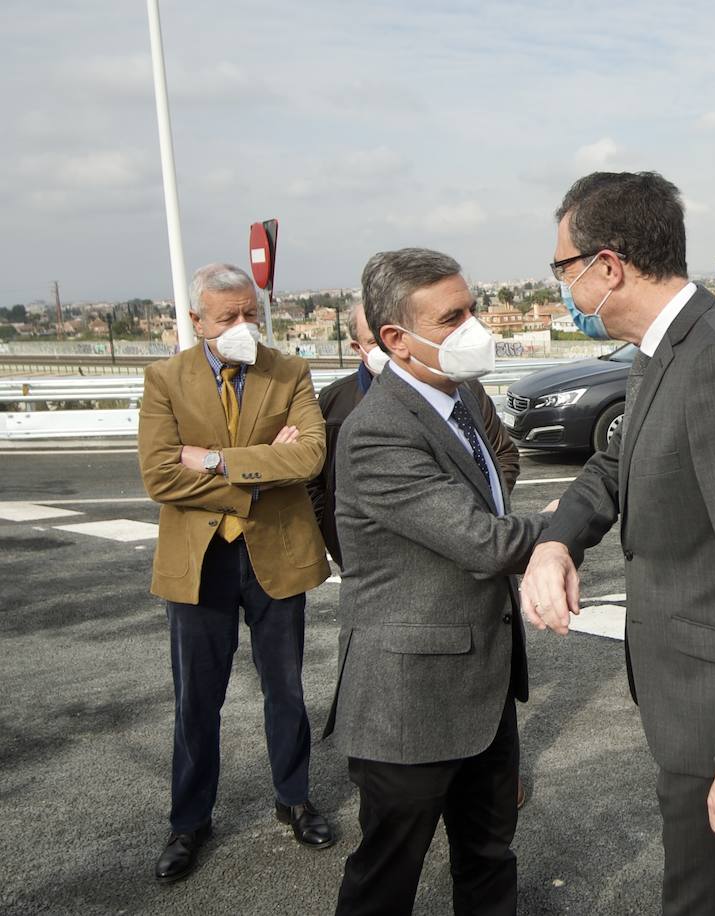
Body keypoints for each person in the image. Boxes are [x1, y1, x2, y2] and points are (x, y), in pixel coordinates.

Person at [521, 172, 715, 916]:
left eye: (563, 268)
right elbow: (614, 464)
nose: (562, 285)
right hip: (692, 700)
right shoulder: (666, 347)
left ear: (608, 265)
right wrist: (556, 542)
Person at [325, 248, 549, 916]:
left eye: (473, 307)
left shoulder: (464, 399)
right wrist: (565, 526)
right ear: (395, 338)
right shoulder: (379, 430)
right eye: (453, 317)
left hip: (484, 688)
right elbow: (482, 541)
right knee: (386, 878)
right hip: (409, 703)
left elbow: (489, 494)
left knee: (488, 859)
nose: (476, 327)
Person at [137, 262, 335, 885]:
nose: (244, 325)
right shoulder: (165, 379)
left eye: (251, 313)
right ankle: (189, 820)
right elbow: (159, 475)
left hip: (276, 555)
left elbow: (308, 456)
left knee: (286, 688)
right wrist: (258, 472)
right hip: (199, 563)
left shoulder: (290, 370)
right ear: (197, 322)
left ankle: (294, 797)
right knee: (198, 698)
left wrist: (219, 461)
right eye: (228, 317)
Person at [308, 301, 521, 566]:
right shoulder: (337, 402)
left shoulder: (463, 390)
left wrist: (483, 517)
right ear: (357, 347)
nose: (389, 350)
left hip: (474, 546)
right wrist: (337, 537)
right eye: (375, 342)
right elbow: (318, 482)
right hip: (384, 566)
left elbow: (502, 454)